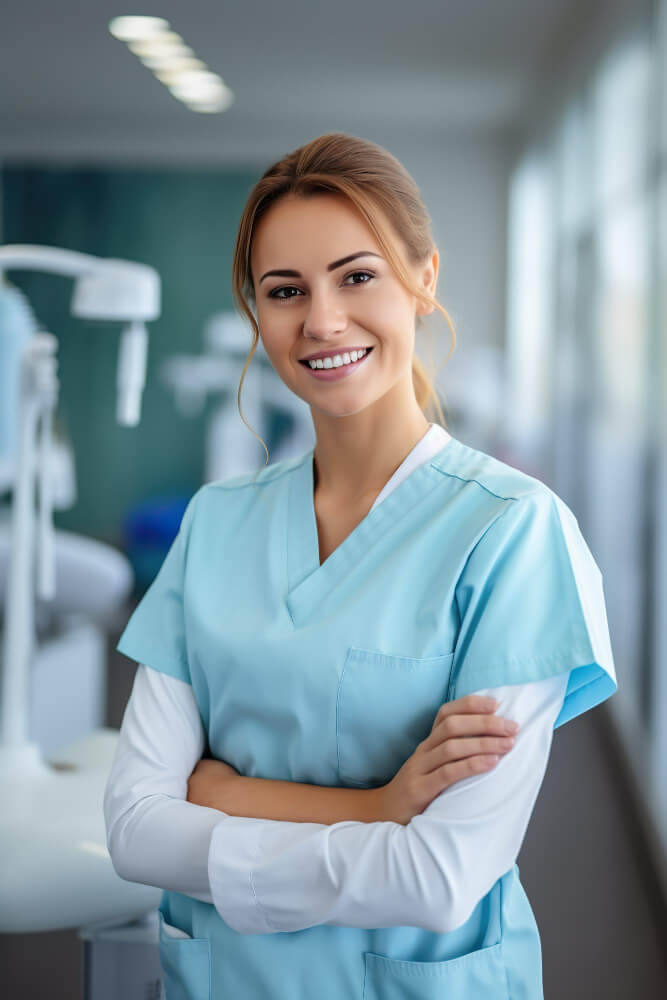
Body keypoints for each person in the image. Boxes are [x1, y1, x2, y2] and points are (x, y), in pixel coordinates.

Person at [103, 132, 617, 999]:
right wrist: (376, 808)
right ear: (256, 313)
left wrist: (223, 794)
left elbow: (438, 878)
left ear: (424, 278)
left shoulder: (513, 533)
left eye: (357, 275)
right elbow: (133, 829)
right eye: (284, 291)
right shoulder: (216, 523)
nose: (322, 320)